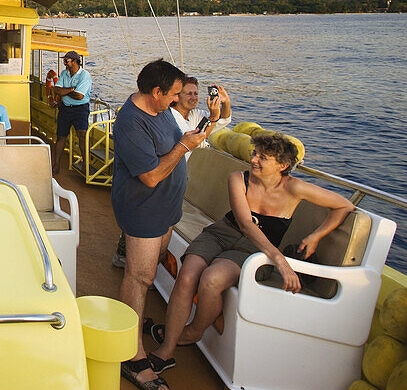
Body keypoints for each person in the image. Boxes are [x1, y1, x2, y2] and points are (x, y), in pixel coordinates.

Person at [146, 133, 354, 375]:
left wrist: (315, 236)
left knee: (212, 279)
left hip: (256, 250)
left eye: (262, 157)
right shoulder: (238, 179)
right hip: (223, 233)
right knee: (189, 274)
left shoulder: (294, 188)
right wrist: (281, 262)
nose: (254, 159)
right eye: (254, 153)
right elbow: (245, 223)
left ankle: (193, 332)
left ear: (282, 166)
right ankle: (167, 350)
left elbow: (344, 206)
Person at [112, 59, 210, 390]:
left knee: (149, 270)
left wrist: (210, 119)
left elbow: (175, 140)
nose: (178, 101)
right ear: (156, 92)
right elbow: (151, 176)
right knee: (139, 277)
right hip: (143, 211)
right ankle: (131, 354)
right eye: (174, 95)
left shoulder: (162, 110)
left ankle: (131, 322)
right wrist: (185, 146)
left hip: (166, 210)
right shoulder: (130, 123)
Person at [50, 50, 91, 175]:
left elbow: (79, 96)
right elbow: (57, 90)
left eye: (66, 61)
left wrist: (65, 91)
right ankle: (56, 166)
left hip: (80, 109)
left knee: (82, 135)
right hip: (65, 108)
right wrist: (72, 89)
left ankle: (85, 163)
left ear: (74, 62)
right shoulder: (64, 73)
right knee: (61, 137)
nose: (64, 63)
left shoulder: (85, 75)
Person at [170, 77, 231, 144]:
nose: (193, 98)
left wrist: (226, 102)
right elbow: (192, 142)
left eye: (196, 94)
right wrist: (213, 118)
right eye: (189, 94)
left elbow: (223, 118)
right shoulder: (172, 116)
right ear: (177, 96)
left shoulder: (194, 114)